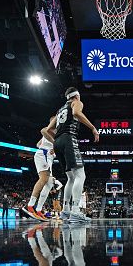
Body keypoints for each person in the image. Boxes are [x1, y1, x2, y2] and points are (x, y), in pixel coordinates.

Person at [42, 87, 99, 223]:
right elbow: (77, 113)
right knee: (81, 175)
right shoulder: (76, 102)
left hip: (58, 142)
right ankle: (75, 211)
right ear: (77, 96)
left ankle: (65, 211)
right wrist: (92, 128)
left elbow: (48, 129)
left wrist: (58, 139)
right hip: (68, 139)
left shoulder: (60, 110)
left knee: (70, 178)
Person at [24, 121, 57, 221]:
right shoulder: (52, 129)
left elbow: (38, 144)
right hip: (44, 155)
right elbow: (43, 130)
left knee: (50, 183)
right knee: (43, 179)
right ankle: (30, 206)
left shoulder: (56, 132)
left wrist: (52, 146)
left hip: (48, 157)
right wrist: (54, 144)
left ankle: (38, 209)